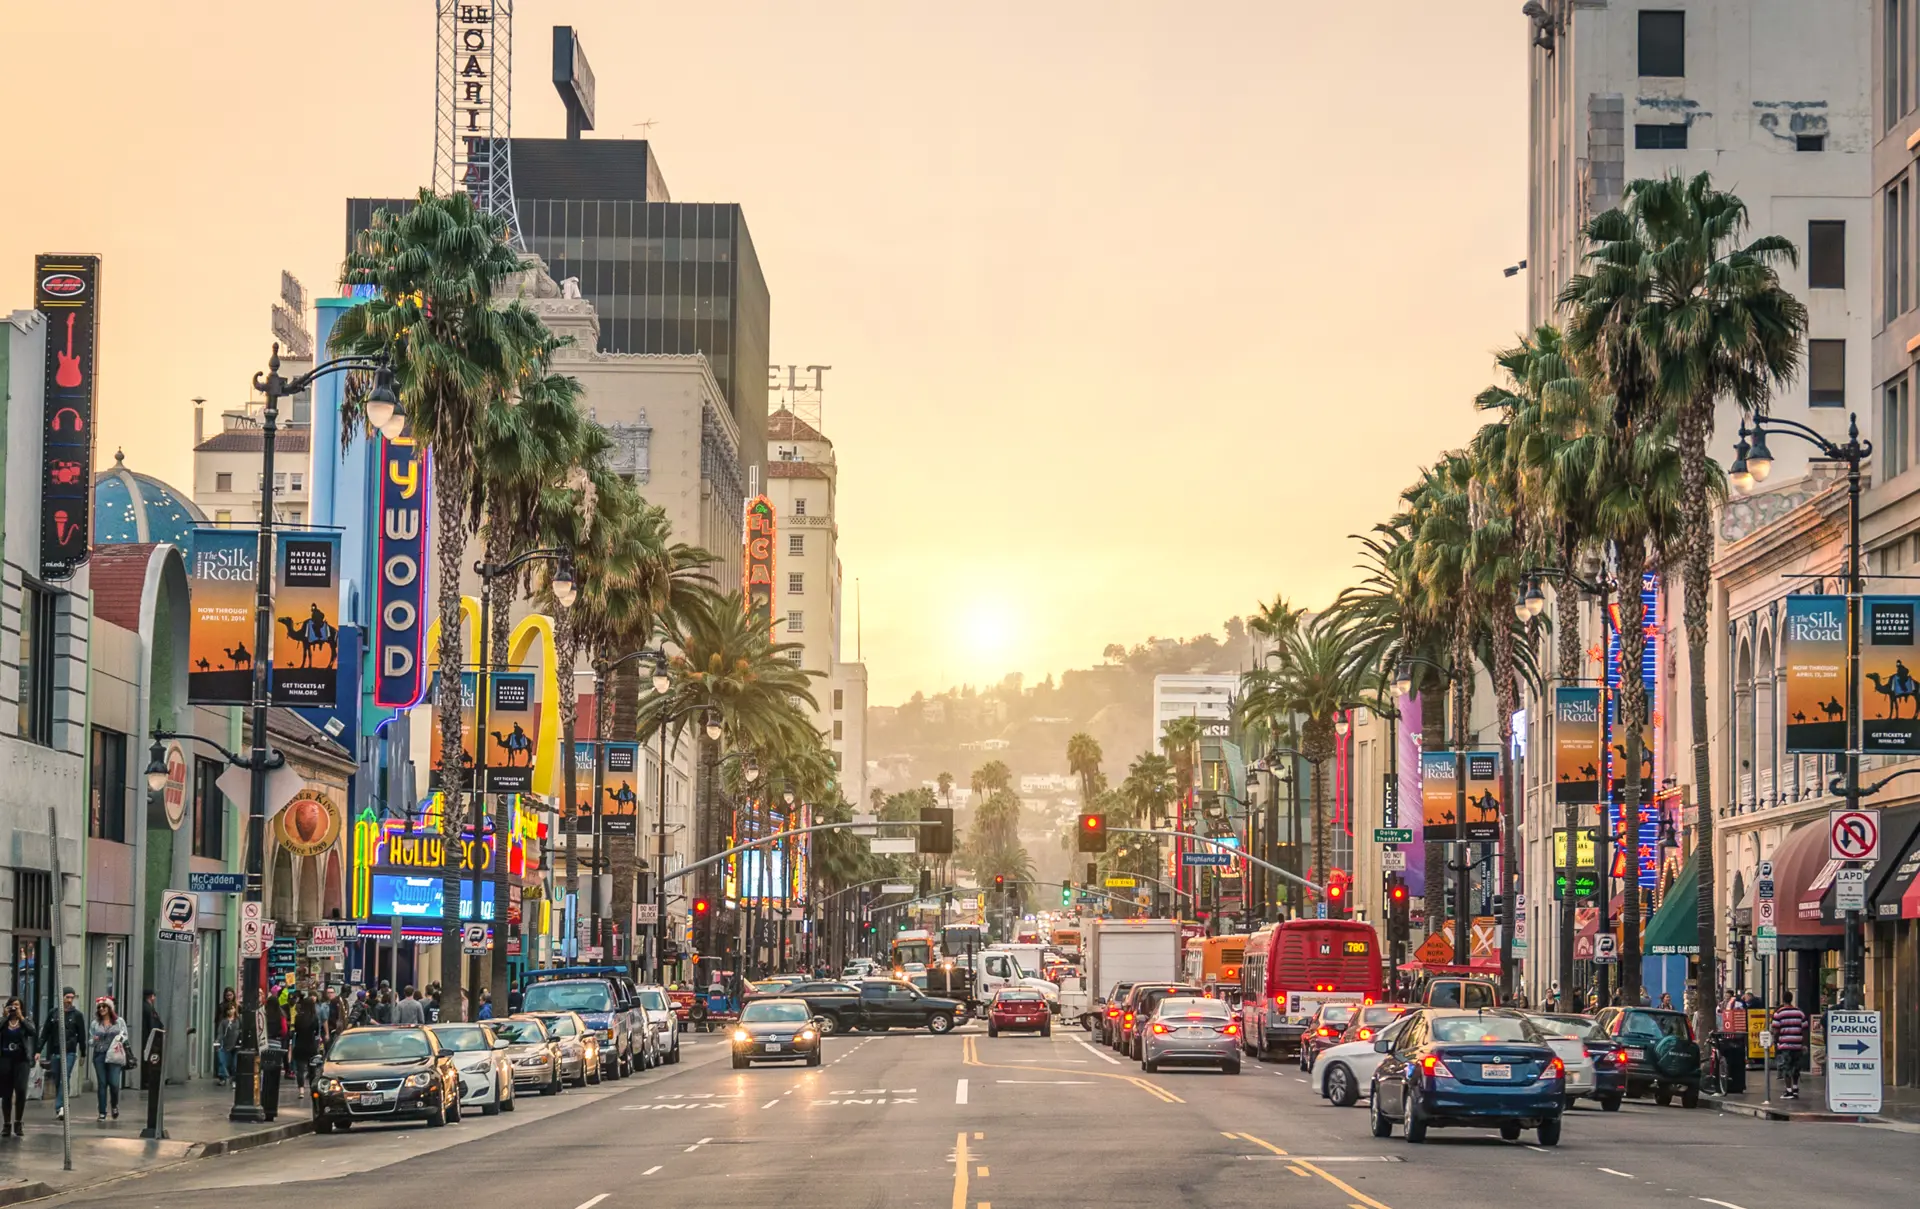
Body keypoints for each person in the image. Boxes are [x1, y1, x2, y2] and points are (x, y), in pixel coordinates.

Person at [38, 987, 85, 1119]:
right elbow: (45, 1032)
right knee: (58, 1079)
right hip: (55, 1051)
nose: (69, 1000)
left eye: (72, 997)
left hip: (70, 1051)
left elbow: (81, 1035)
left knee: (65, 1076)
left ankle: (61, 1106)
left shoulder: (77, 1015)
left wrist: (83, 1052)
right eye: (67, 997)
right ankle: (64, 1103)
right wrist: (38, 1050)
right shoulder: (53, 1013)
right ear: (62, 997)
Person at [89, 998, 129, 1122]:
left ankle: (114, 1105)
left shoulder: (119, 1021)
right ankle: (102, 1112)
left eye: (104, 1006)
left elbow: (125, 1035)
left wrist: (120, 1038)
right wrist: (94, 1040)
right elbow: (90, 1040)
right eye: (99, 1007)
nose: (101, 1009)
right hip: (99, 1055)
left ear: (110, 1008)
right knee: (102, 1084)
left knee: (114, 1083)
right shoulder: (95, 1023)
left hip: (114, 1055)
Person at [1, 998, 35, 1136]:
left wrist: (21, 1017)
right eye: (11, 1005)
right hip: (5, 1060)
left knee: (21, 1090)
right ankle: (6, 1124)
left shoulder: (26, 1020)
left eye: (16, 1005)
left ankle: (18, 1122)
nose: (14, 1008)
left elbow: (32, 1032)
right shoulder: (4, 1021)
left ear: (21, 1007)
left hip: (22, 1061)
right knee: (6, 1093)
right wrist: (5, 1017)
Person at [1772, 990, 1810, 1099]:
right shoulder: (1799, 1012)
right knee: (1796, 1067)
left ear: (1782, 999)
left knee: (1786, 1068)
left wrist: (1776, 1041)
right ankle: (1795, 1088)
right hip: (1797, 1044)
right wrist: (1804, 1044)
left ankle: (1788, 1091)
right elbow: (1805, 1029)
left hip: (1785, 1045)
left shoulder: (1779, 1013)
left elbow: (1776, 1030)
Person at [290, 994, 320, 1089]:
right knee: (312, 1070)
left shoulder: (298, 1017)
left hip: (300, 1044)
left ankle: (301, 1090)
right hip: (311, 1045)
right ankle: (312, 1088)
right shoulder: (314, 1017)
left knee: (300, 1070)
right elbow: (316, 1031)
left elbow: (296, 1029)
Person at [215, 1000, 240, 1087]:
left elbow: (241, 1031)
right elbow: (220, 1033)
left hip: (236, 1045)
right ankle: (223, 1077)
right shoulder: (224, 1022)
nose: (231, 1011)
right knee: (222, 1061)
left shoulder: (238, 1020)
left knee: (235, 1064)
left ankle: (234, 1079)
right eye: (229, 1009)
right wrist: (217, 1041)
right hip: (225, 1044)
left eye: (232, 1008)